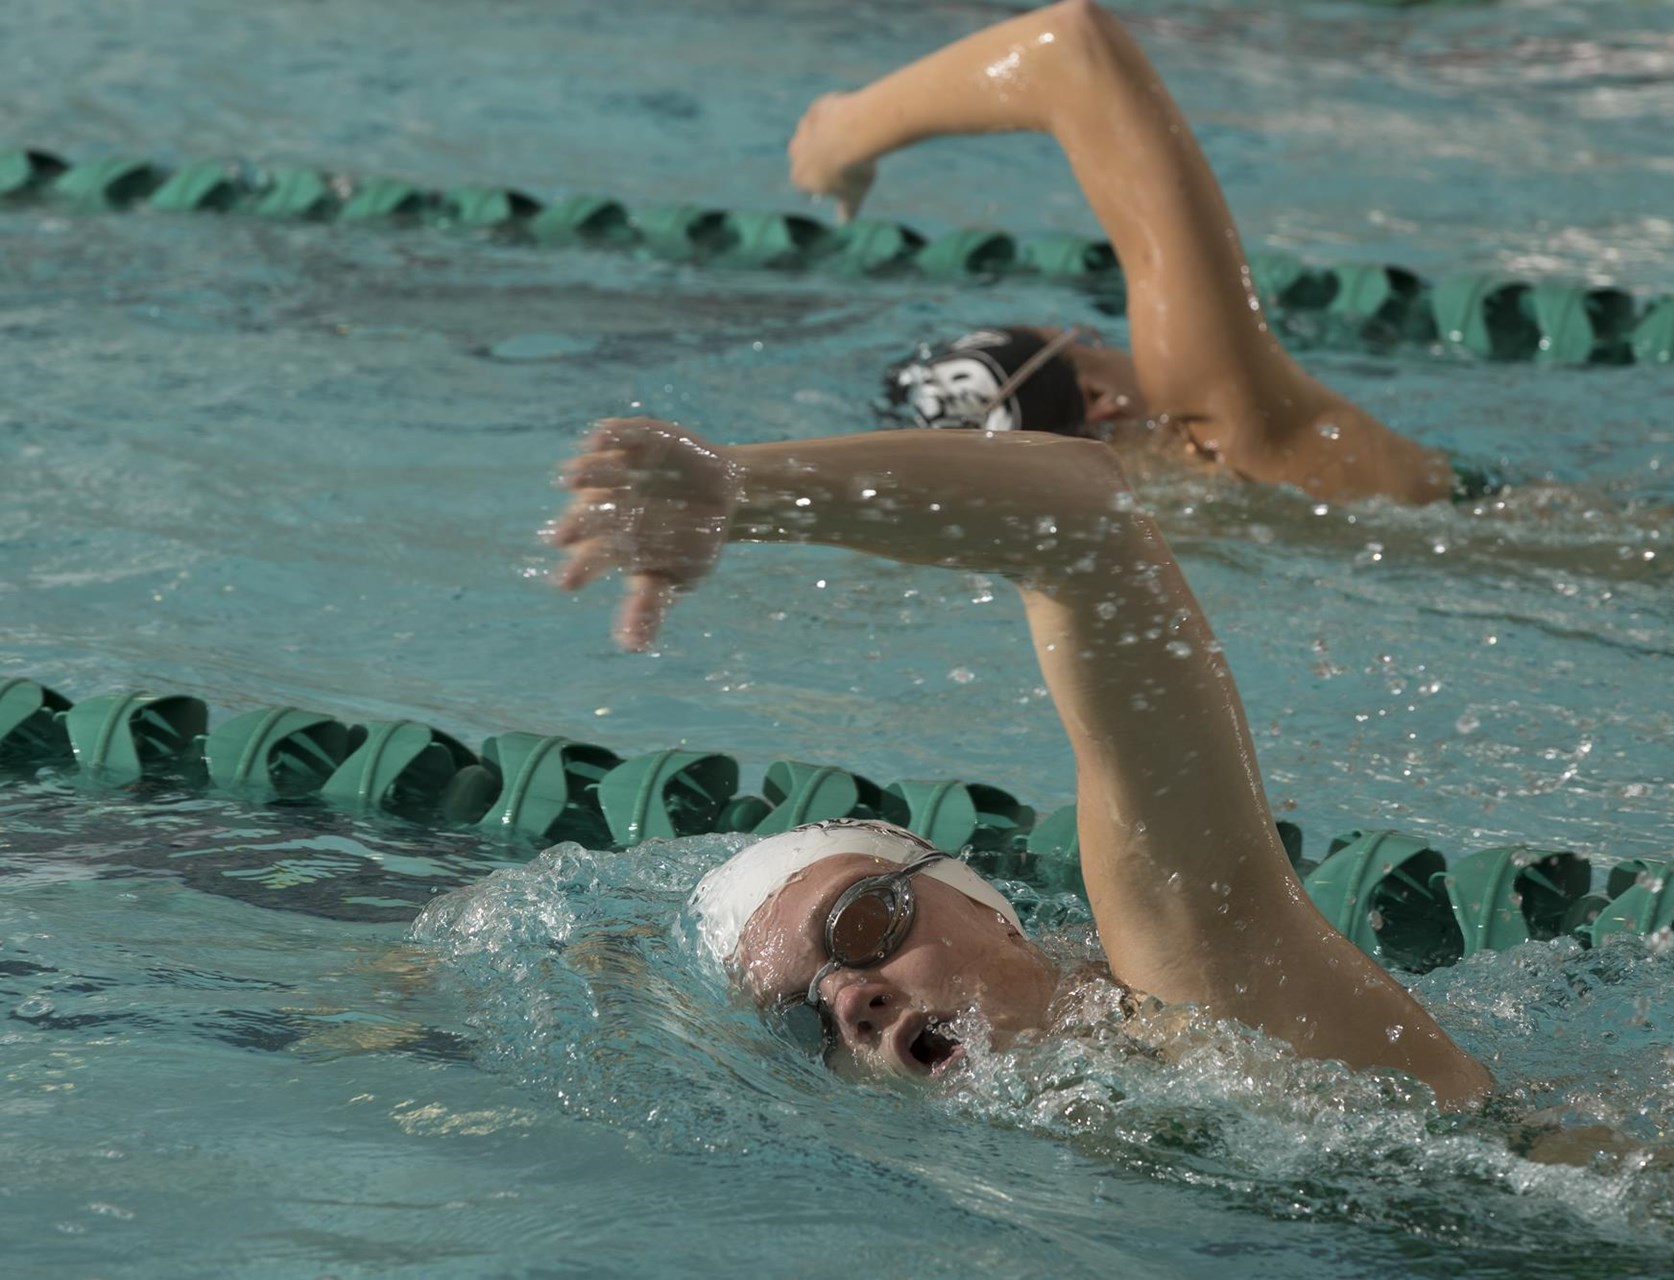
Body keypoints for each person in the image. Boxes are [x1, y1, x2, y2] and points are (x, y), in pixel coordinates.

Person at [548, 415, 1496, 1110]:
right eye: (802, 1021)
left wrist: (750, 490)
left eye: (862, 922)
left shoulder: (1211, 999)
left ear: (991, 913)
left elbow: (1081, 521)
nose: (850, 1000)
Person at [786, 0, 1458, 506]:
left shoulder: (1147, 532)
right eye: (1087, 340)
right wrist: (838, 137)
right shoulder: (1216, 417)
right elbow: (1071, 49)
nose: (1116, 343)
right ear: (1101, 401)